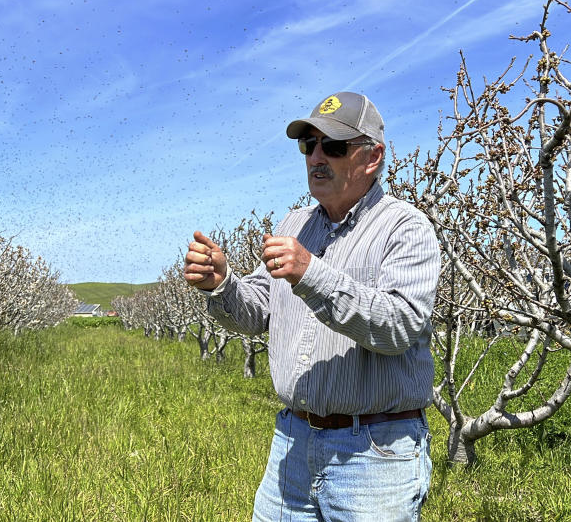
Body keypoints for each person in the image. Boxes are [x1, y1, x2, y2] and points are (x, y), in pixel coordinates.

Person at [184, 91, 440, 521]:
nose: (316, 157)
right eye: (309, 145)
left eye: (334, 146)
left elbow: (400, 326)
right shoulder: (293, 225)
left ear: (372, 157)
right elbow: (260, 311)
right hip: (292, 441)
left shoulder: (406, 228)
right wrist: (223, 285)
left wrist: (311, 274)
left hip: (374, 454)